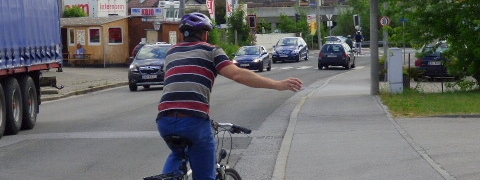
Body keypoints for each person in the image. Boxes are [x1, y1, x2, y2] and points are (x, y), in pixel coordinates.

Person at [156, 12, 303, 180]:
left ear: (182, 34)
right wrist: (277, 85)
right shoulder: (211, 51)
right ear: (205, 34)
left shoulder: (171, 52)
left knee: (178, 153)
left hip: (164, 120)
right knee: (205, 174)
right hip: (193, 120)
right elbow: (238, 75)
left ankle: (169, 176)